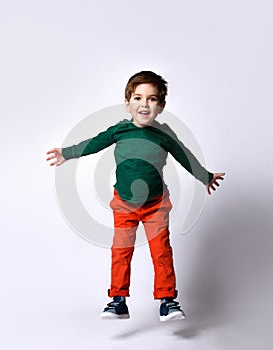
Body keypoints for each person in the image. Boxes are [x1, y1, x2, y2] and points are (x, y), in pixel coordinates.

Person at [46, 71, 225, 322]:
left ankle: (167, 301)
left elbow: (184, 155)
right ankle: (118, 300)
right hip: (125, 205)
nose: (144, 104)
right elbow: (94, 143)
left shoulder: (164, 135)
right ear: (127, 103)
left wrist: (205, 176)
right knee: (121, 251)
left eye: (152, 99)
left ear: (160, 107)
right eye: (138, 98)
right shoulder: (119, 130)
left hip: (156, 206)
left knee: (161, 252)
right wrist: (67, 153)